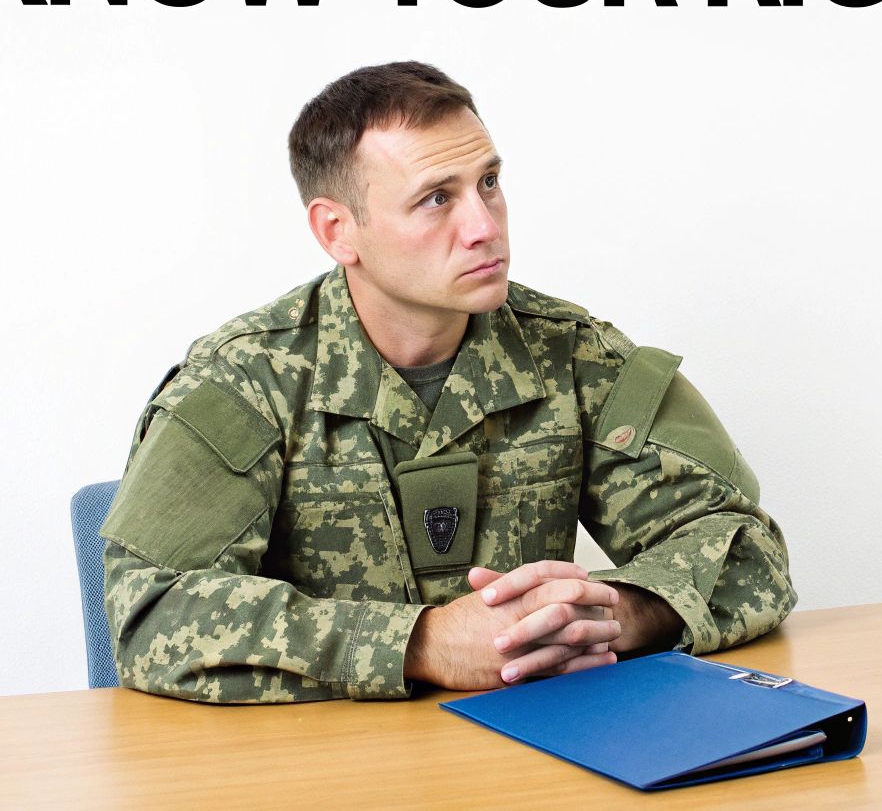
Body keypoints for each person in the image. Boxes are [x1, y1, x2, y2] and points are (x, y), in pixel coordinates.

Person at [100, 62, 796, 702]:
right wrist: (420, 645)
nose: (483, 225)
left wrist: (615, 614)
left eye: (488, 182)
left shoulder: (576, 354)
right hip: (314, 773)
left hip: (534, 752)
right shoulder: (244, 382)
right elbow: (151, 611)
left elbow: (744, 544)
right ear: (339, 230)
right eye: (437, 199)